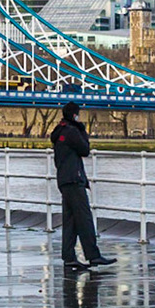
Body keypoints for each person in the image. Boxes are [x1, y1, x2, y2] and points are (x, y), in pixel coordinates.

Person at [50, 102, 113, 271]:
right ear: (74, 115)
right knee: (84, 219)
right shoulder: (71, 131)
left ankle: (69, 257)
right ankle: (93, 255)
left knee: (70, 220)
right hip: (74, 179)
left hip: (63, 179)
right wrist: (81, 128)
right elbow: (85, 149)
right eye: (78, 114)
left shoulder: (59, 132)